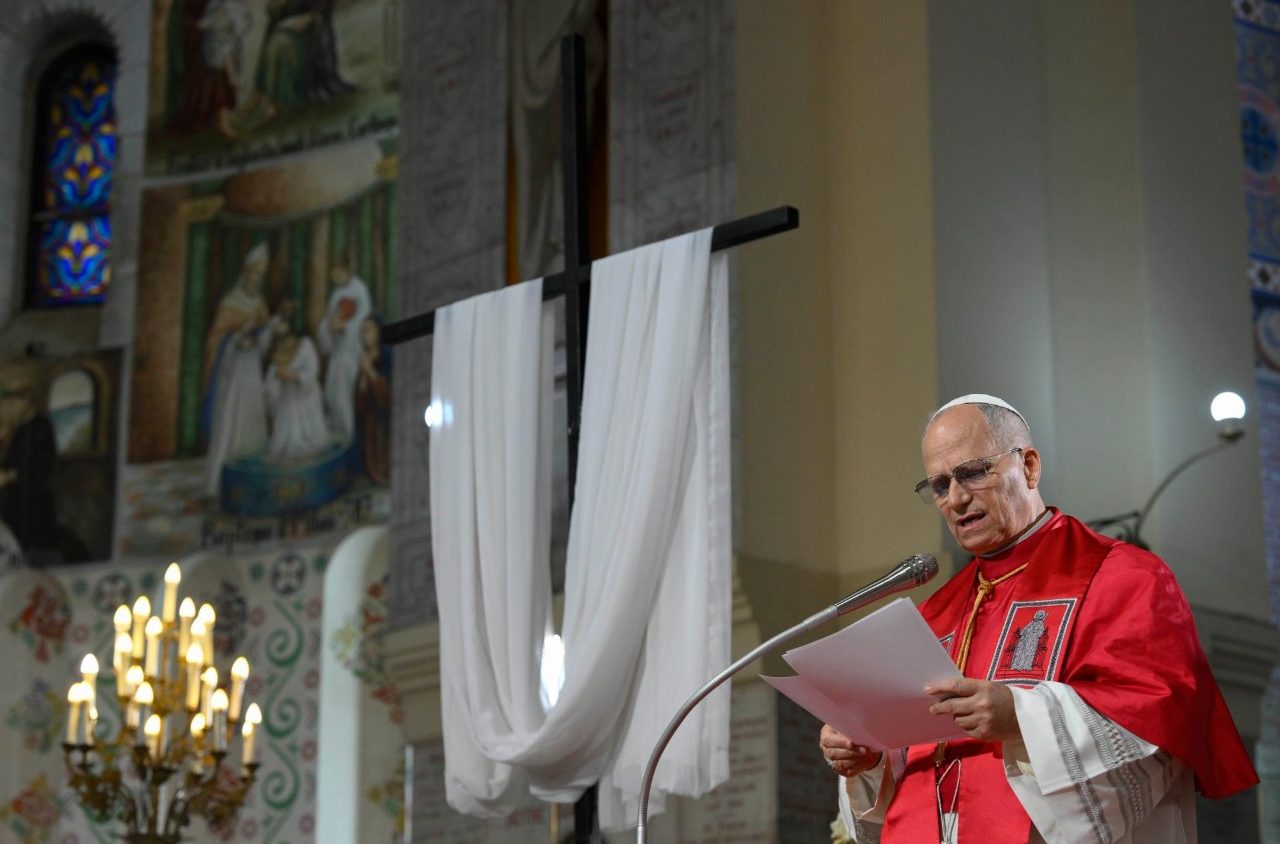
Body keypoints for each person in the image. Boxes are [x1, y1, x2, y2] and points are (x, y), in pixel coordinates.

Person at [820, 394, 1257, 843]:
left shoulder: (1124, 577)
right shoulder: (936, 615)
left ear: (1028, 466)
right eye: (940, 485)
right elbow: (917, 770)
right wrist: (871, 759)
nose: (956, 498)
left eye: (974, 472)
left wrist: (1020, 716)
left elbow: (1158, 722)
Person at [202, 243, 282, 496]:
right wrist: (237, 340)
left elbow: (264, 338)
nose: (256, 280)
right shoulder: (230, 301)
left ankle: (251, 484)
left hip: (252, 370)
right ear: (245, 273)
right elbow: (216, 339)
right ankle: (219, 484)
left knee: (252, 420)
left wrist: (271, 328)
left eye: (260, 276)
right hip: (232, 371)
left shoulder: (258, 303)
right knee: (231, 422)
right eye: (254, 274)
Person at [315, 258, 371, 442]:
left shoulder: (360, 289)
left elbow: (364, 318)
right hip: (338, 352)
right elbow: (329, 319)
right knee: (333, 391)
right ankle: (341, 431)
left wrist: (345, 327)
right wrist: (329, 327)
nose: (336, 279)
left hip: (353, 351)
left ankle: (352, 432)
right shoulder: (336, 294)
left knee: (347, 391)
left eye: (339, 275)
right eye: (334, 277)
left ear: (347, 271)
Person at [264, 318, 331, 459]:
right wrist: (277, 376)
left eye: (285, 335)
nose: (283, 340)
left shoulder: (306, 345)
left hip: (306, 397)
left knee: (309, 439)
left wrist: (294, 377)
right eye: (278, 337)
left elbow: (312, 371)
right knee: (287, 440)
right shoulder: (277, 352)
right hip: (287, 399)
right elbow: (271, 379)